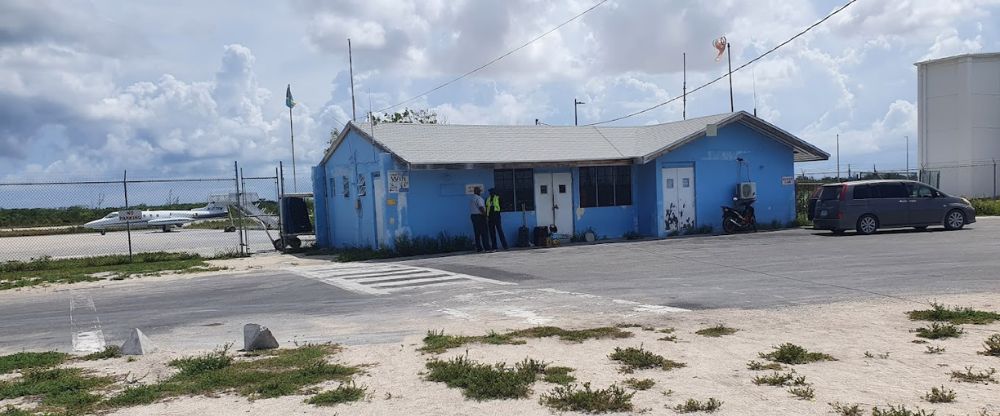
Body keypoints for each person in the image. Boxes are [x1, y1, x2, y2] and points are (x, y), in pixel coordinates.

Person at [469, 187, 491, 252]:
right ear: (477, 192)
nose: (480, 192)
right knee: (484, 233)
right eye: (479, 191)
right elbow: (481, 207)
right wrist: (486, 215)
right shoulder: (479, 198)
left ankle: (479, 248)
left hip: (473, 216)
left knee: (477, 233)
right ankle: (487, 248)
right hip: (480, 216)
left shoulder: (472, 198)